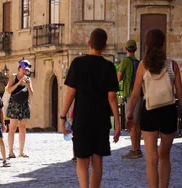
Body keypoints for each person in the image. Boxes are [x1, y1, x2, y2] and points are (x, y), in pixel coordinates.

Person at [60, 28, 121, 188]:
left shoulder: (78, 63)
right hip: (101, 120)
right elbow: (112, 98)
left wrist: (63, 115)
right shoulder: (109, 67)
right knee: (97, 159)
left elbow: (71, 92)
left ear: (89, 43)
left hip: (82, 118)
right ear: (105, 46)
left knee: (82, 159)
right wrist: (118, 123)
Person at [126, 29, 182, 188]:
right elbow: (180, 92)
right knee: (164, 157)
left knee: (151, 159)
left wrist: (130, 114)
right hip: (168, 112)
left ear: (146, 44)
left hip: (149, 112)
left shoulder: (143, 66)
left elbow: (135, 94)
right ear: (163, 43)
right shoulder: (172, 65)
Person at [117, 39, 143, 159]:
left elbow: (119, 77)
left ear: (126, 49)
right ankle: (137, 148)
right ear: (135, 49)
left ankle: (134, 150)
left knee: (132, 123)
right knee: (137, 124)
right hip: (140, 94)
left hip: (129, 94)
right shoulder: (139, 62)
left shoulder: (125, 62)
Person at [5, 59, 34, 158]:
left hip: (24, 104)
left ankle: (21, 152)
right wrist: (18, 83)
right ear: (19, 68)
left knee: (23, 128)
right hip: (14, 104)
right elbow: (8, 90)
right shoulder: (13, 77)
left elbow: (32, 94)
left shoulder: (28, 79)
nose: (25, 71)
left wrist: (28, 85)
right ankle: (11, 151)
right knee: (12, 128)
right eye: (24, 69)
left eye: (27, 70)